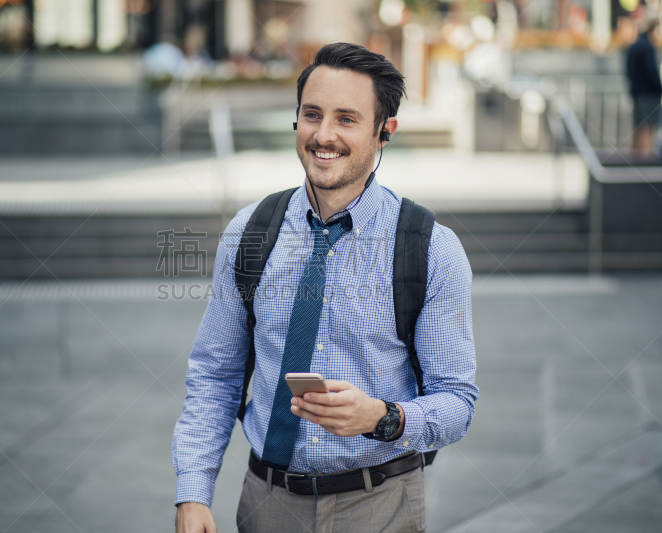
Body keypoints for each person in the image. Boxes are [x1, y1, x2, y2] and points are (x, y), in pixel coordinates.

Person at [172, 42, 478, 533]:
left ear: (384, 133)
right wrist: (192, 491)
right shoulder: (251, 233)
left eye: (347, 119)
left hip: (381, 504)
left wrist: (382, 417)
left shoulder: (431, 249)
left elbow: (457, 402)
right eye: (312, 114)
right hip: (268, 504)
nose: (324, 135)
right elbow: (215, 373)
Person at [626, 10, 662, 158]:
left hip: (638, 94)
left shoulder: (635, 45)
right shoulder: (646, 46)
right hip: (648, 95)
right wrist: (659, 88)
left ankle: (636, 161)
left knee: (638, 128)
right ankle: (644, 162)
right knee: (646, 130)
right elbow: (651, 73)